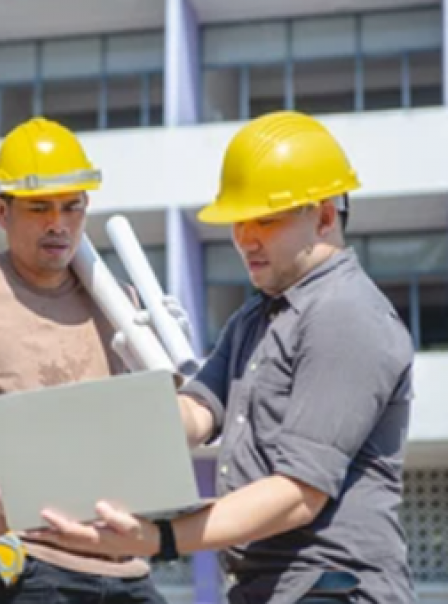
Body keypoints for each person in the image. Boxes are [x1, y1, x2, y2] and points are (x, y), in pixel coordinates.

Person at [30, 111, 416, 604]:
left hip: (332, 587)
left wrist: (160, 538)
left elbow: (299, 492)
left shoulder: (345, 315)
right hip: (272, 588)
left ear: (322, 217)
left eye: (266, 219)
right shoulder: (258, 315)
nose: (244, 238)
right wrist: (84, 440)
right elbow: (197, 410)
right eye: (239, 220)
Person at [0, 117, 169, 604]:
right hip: (19, 562)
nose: (59, 224)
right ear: (0, 211)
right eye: (39, 208)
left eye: (73, 207)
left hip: (125, 562)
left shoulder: (114, 300)